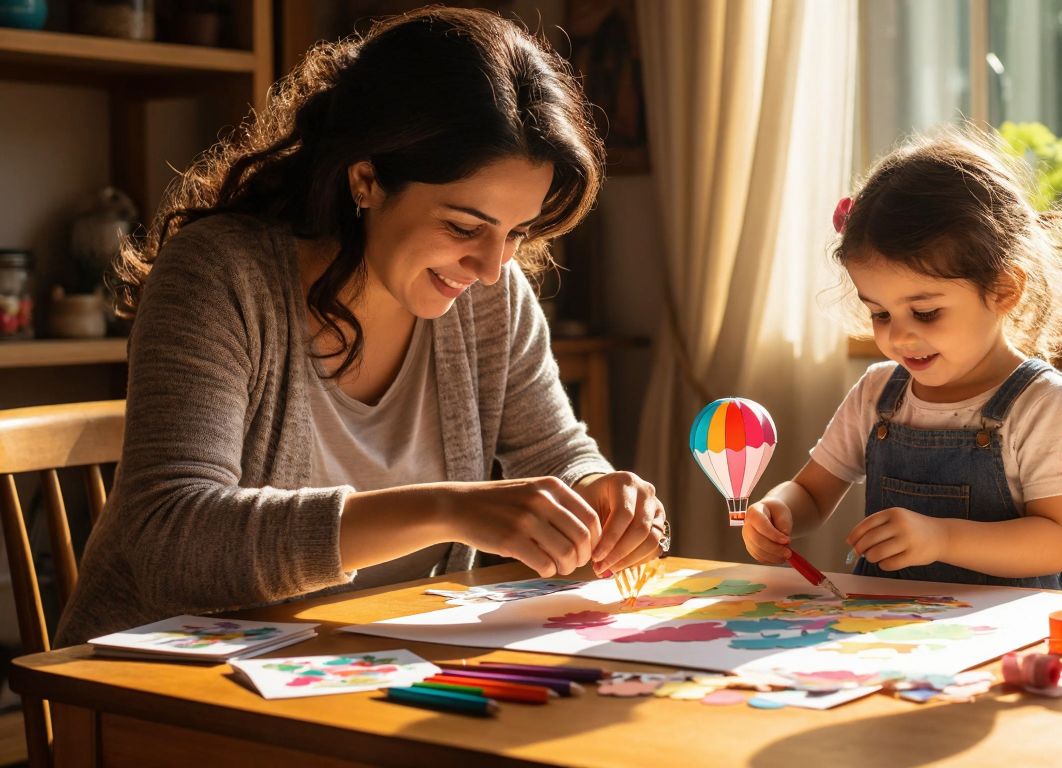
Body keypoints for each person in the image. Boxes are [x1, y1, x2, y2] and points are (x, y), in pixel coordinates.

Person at [57, 7, 666, 645]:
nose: (492, 268)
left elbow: (556, 454)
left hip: (358, 670)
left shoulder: (491, 299)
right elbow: (170, 541)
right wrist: (447, 508)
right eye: (464, 227)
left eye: (517, 232)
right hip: (151, 688)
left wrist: (602, 494)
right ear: (366, 178)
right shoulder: (219, 274)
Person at [741, 127, 1062, 591]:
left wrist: (941, 538)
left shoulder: (1042, 403)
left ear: (1004, 289)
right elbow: (811, 491)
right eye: (880, 313)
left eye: (926, 312)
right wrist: (777, 510)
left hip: (1017, 629)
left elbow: (1058, 540)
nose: (900, 335)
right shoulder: (878, 394)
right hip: (902, 631)